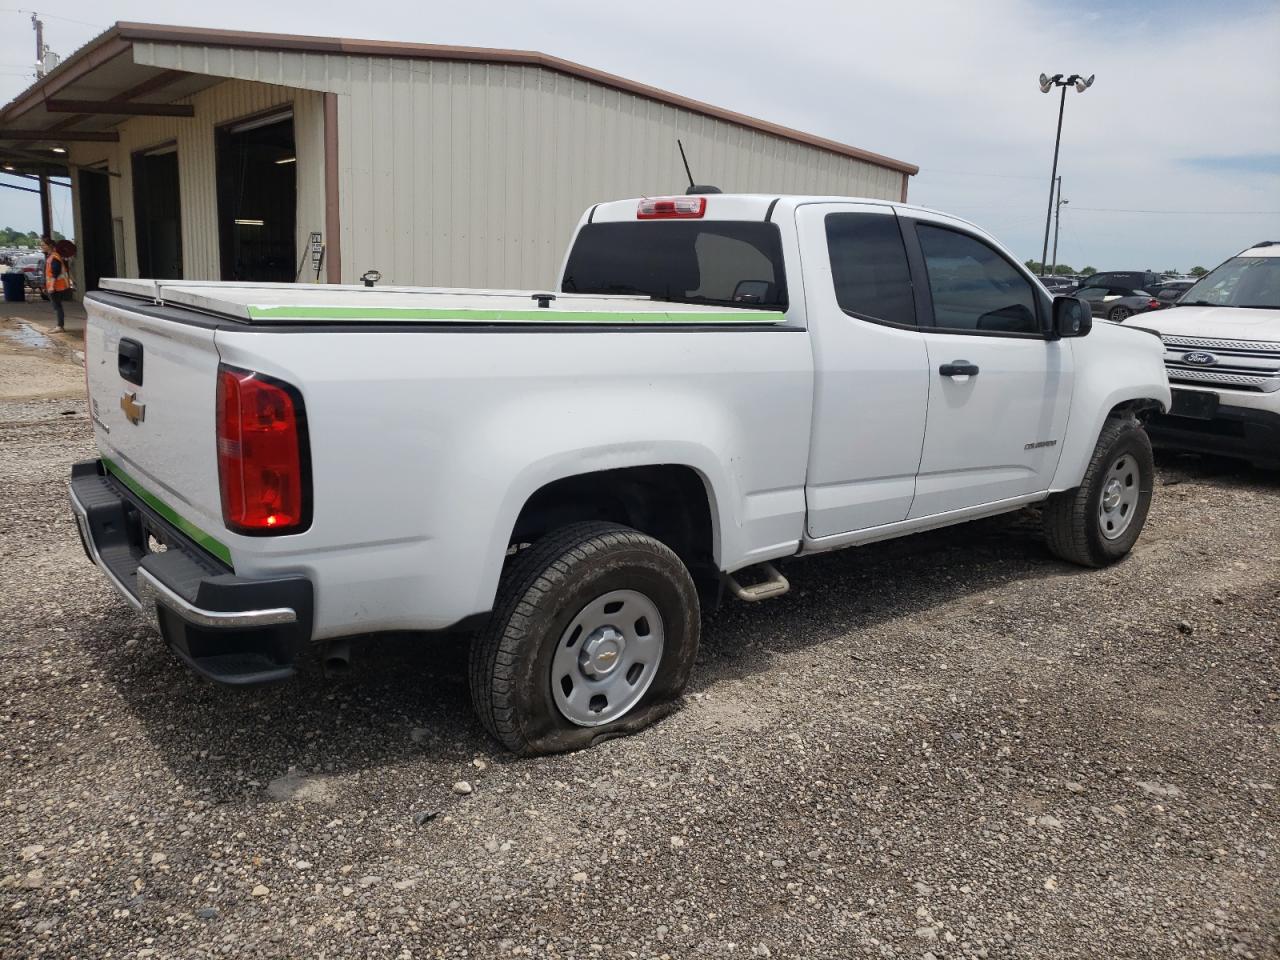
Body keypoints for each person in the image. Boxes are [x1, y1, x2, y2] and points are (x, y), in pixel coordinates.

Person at [40, 236, 70, 331]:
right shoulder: (51, 257)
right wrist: (46, 285)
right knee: (57, 306)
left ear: (49, 246)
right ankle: (59, 325)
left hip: (57, 287)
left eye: (43, 245)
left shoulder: (54, 257)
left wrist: (51, 286)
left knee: (57, 306)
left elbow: (55, 273)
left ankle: (60, 326)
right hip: (53, 286)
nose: (42, 247)